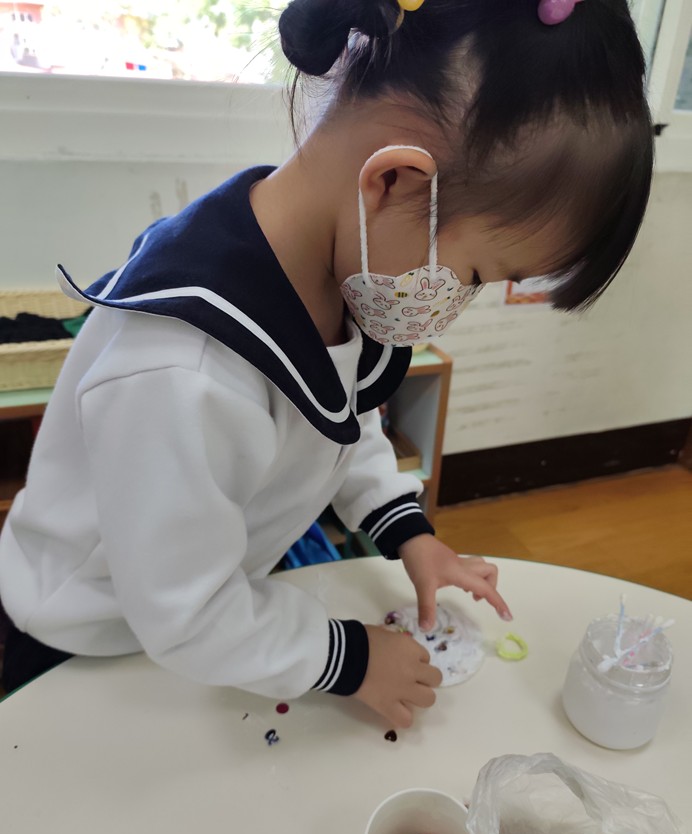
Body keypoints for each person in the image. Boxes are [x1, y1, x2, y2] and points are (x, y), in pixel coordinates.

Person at [0, 0, 652, 727]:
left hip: (197, 617)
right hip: (86, 640)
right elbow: (185, 610)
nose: (459, 302)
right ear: (395, 181)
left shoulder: (341, 267)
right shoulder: (182, 370)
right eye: (475, 274)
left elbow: (340, 422)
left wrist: (409, 533)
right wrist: (350, 658)